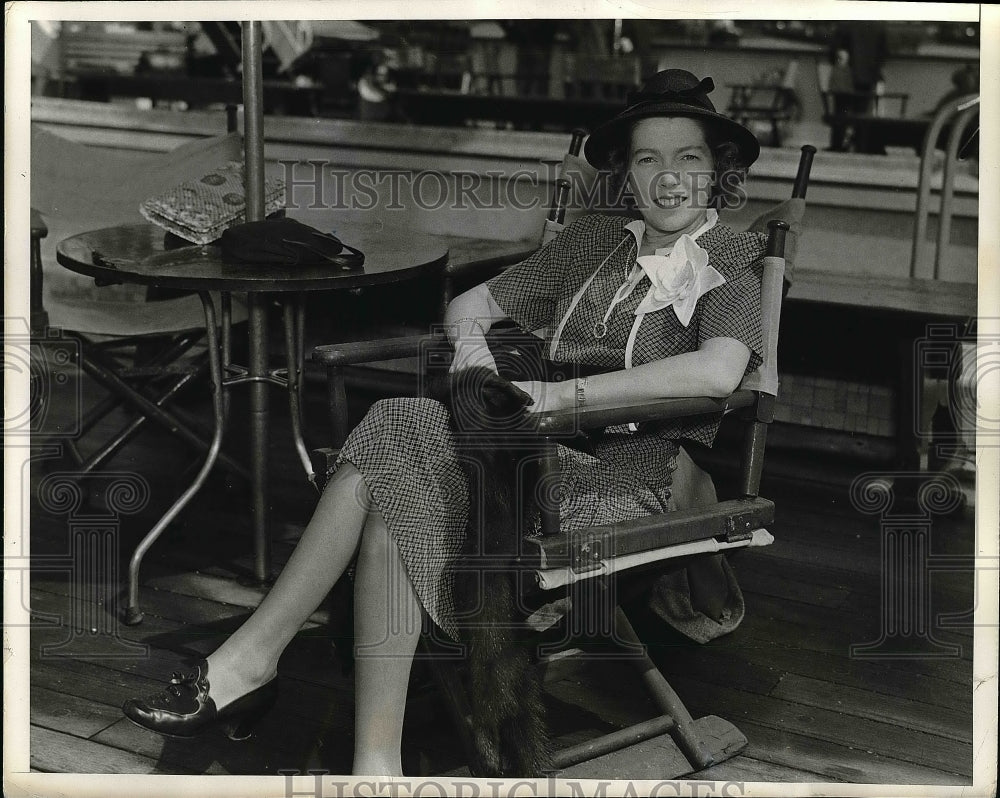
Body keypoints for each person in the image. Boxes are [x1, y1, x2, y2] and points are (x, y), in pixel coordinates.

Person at [121, 69, 766, 776]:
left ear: (718, 173)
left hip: (630, 473)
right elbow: (468, 304)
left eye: (689, 158)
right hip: (525, 460)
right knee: (401, 456)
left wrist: (558, 402)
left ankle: (265, 674)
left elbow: (717, 373)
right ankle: (364, 759)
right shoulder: (595, 246)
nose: (668, 178)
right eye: (649, 158)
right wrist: (479, 371)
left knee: (393, 442)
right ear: (627, 173)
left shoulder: (732, 257)